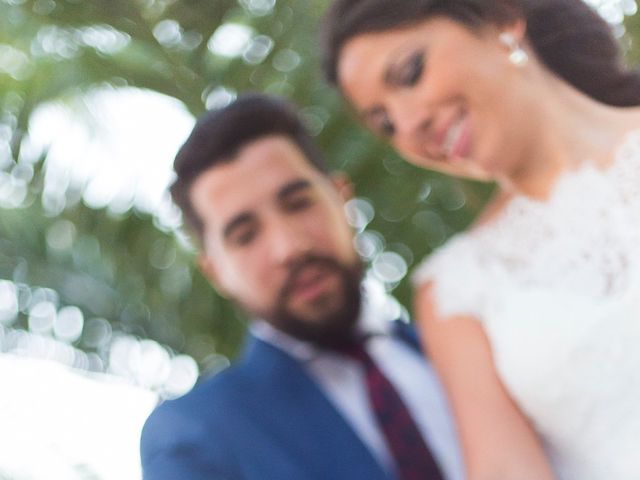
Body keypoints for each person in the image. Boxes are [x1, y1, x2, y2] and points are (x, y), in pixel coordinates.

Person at [320, 1, 640, 479]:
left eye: (410, 73)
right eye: (384, 123)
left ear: (498, 21)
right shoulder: (455, 290)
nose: (408, 126)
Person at [139, 93, 463, 480]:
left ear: (343, 199)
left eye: (298, 204)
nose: (289, 247)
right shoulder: (195, 434)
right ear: (215, 271)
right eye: (245, 235)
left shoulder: (461, 349)